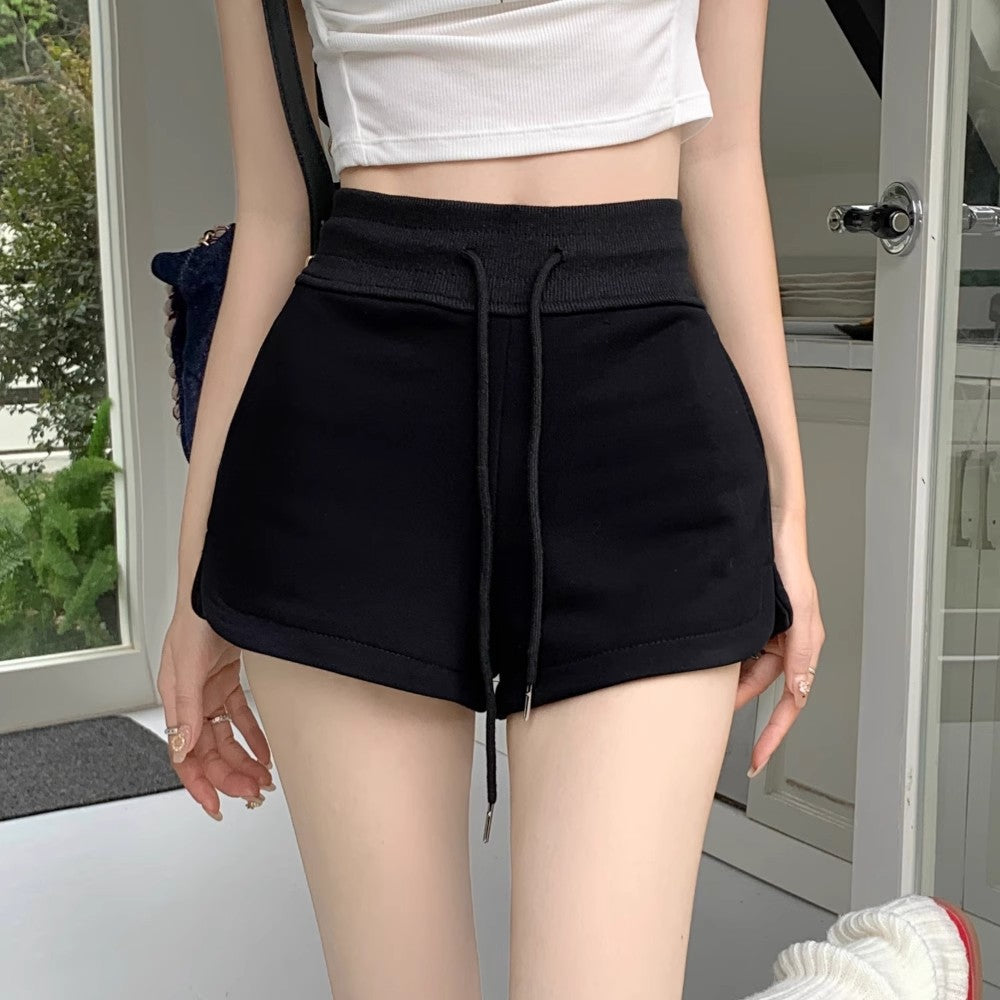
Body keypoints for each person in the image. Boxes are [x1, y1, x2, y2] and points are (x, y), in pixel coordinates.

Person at [155, 1, 982, 998]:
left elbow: (720, 158)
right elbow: (276, 214)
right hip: (351, 436)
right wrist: (194, 583)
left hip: (646, 420)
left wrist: (786, 517)